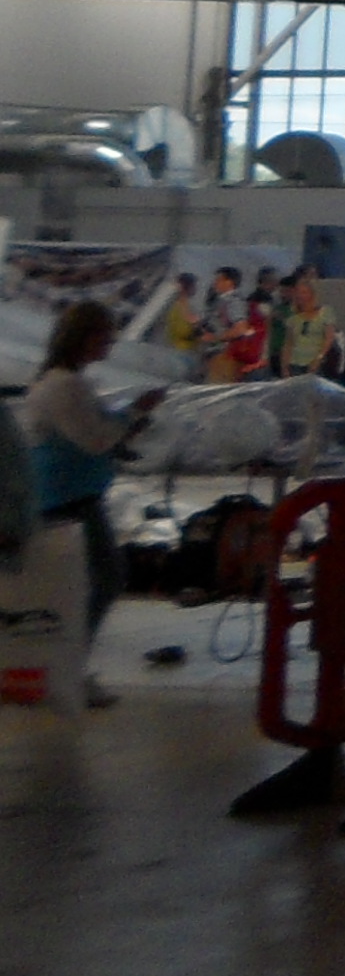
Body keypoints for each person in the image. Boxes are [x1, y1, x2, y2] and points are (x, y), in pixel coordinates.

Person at [27, 300, 154, 706]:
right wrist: (133, 414)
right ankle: (67, 672)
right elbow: (95, 439)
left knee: (82, 587)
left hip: (67, 496)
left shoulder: (63, 383)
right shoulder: (65, 387)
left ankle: (63, 670)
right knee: (104, 580)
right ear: (84, 337)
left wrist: (127, 422)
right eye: (104, 335)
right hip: (67, 499)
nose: (110, 343)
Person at [265, 270, 345, 381]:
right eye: (298, 292)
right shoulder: (292, 316)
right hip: (294, 363)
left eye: (304, 292)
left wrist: (319, 358)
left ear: (312, 294)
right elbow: (288, 343)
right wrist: (284, 367)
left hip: (317, 362)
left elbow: (329, 338)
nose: (300, 296)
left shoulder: (325, 312)